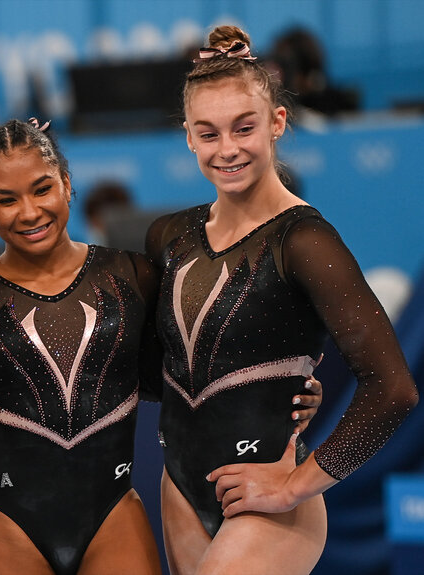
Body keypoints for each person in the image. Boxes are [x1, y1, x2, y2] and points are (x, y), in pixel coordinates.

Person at [0, 118, 322, 575]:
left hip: (112, 516)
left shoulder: (133, 276)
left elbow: (179, 378)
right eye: (6, 200)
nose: (29, 212)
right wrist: (9, 439)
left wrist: (283, 394)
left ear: (67, 184)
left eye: (41, 189)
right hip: (4, 523)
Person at [144, 25, 418, 575]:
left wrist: (298, 482)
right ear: (189, 137)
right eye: (209, 133)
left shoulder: (304, 241)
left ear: (276, 123)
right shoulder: (167, 237)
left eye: (244, 128)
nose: (228, 150)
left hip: (270, 501)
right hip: (179, 489)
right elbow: (160, 370)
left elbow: (394, 389)